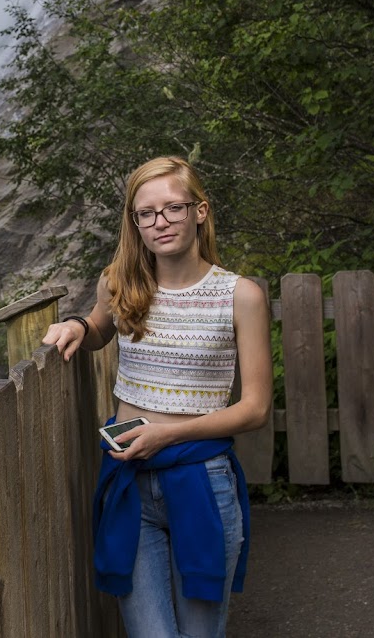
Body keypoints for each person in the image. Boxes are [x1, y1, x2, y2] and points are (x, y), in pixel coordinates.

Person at [42, 155, 272, 638]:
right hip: (129, 477)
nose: (159, 222)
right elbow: (101, 328)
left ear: (200, 211)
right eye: (145, 213)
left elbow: (254, 409)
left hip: (201, 480)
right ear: (135, 223)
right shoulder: (119, 284)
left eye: (172, 208)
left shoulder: (239, 295)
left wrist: (166, 436)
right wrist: (77, 325)